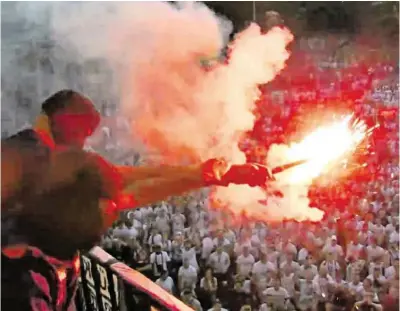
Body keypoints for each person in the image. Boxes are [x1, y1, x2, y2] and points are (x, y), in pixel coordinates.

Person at [1, 90, 275, 311]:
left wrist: (207, 174)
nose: (110, 214)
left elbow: (122, 182)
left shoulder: (50, 163)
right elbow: (122, 188)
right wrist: (206, 175)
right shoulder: (28, 159)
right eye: (82, 135)